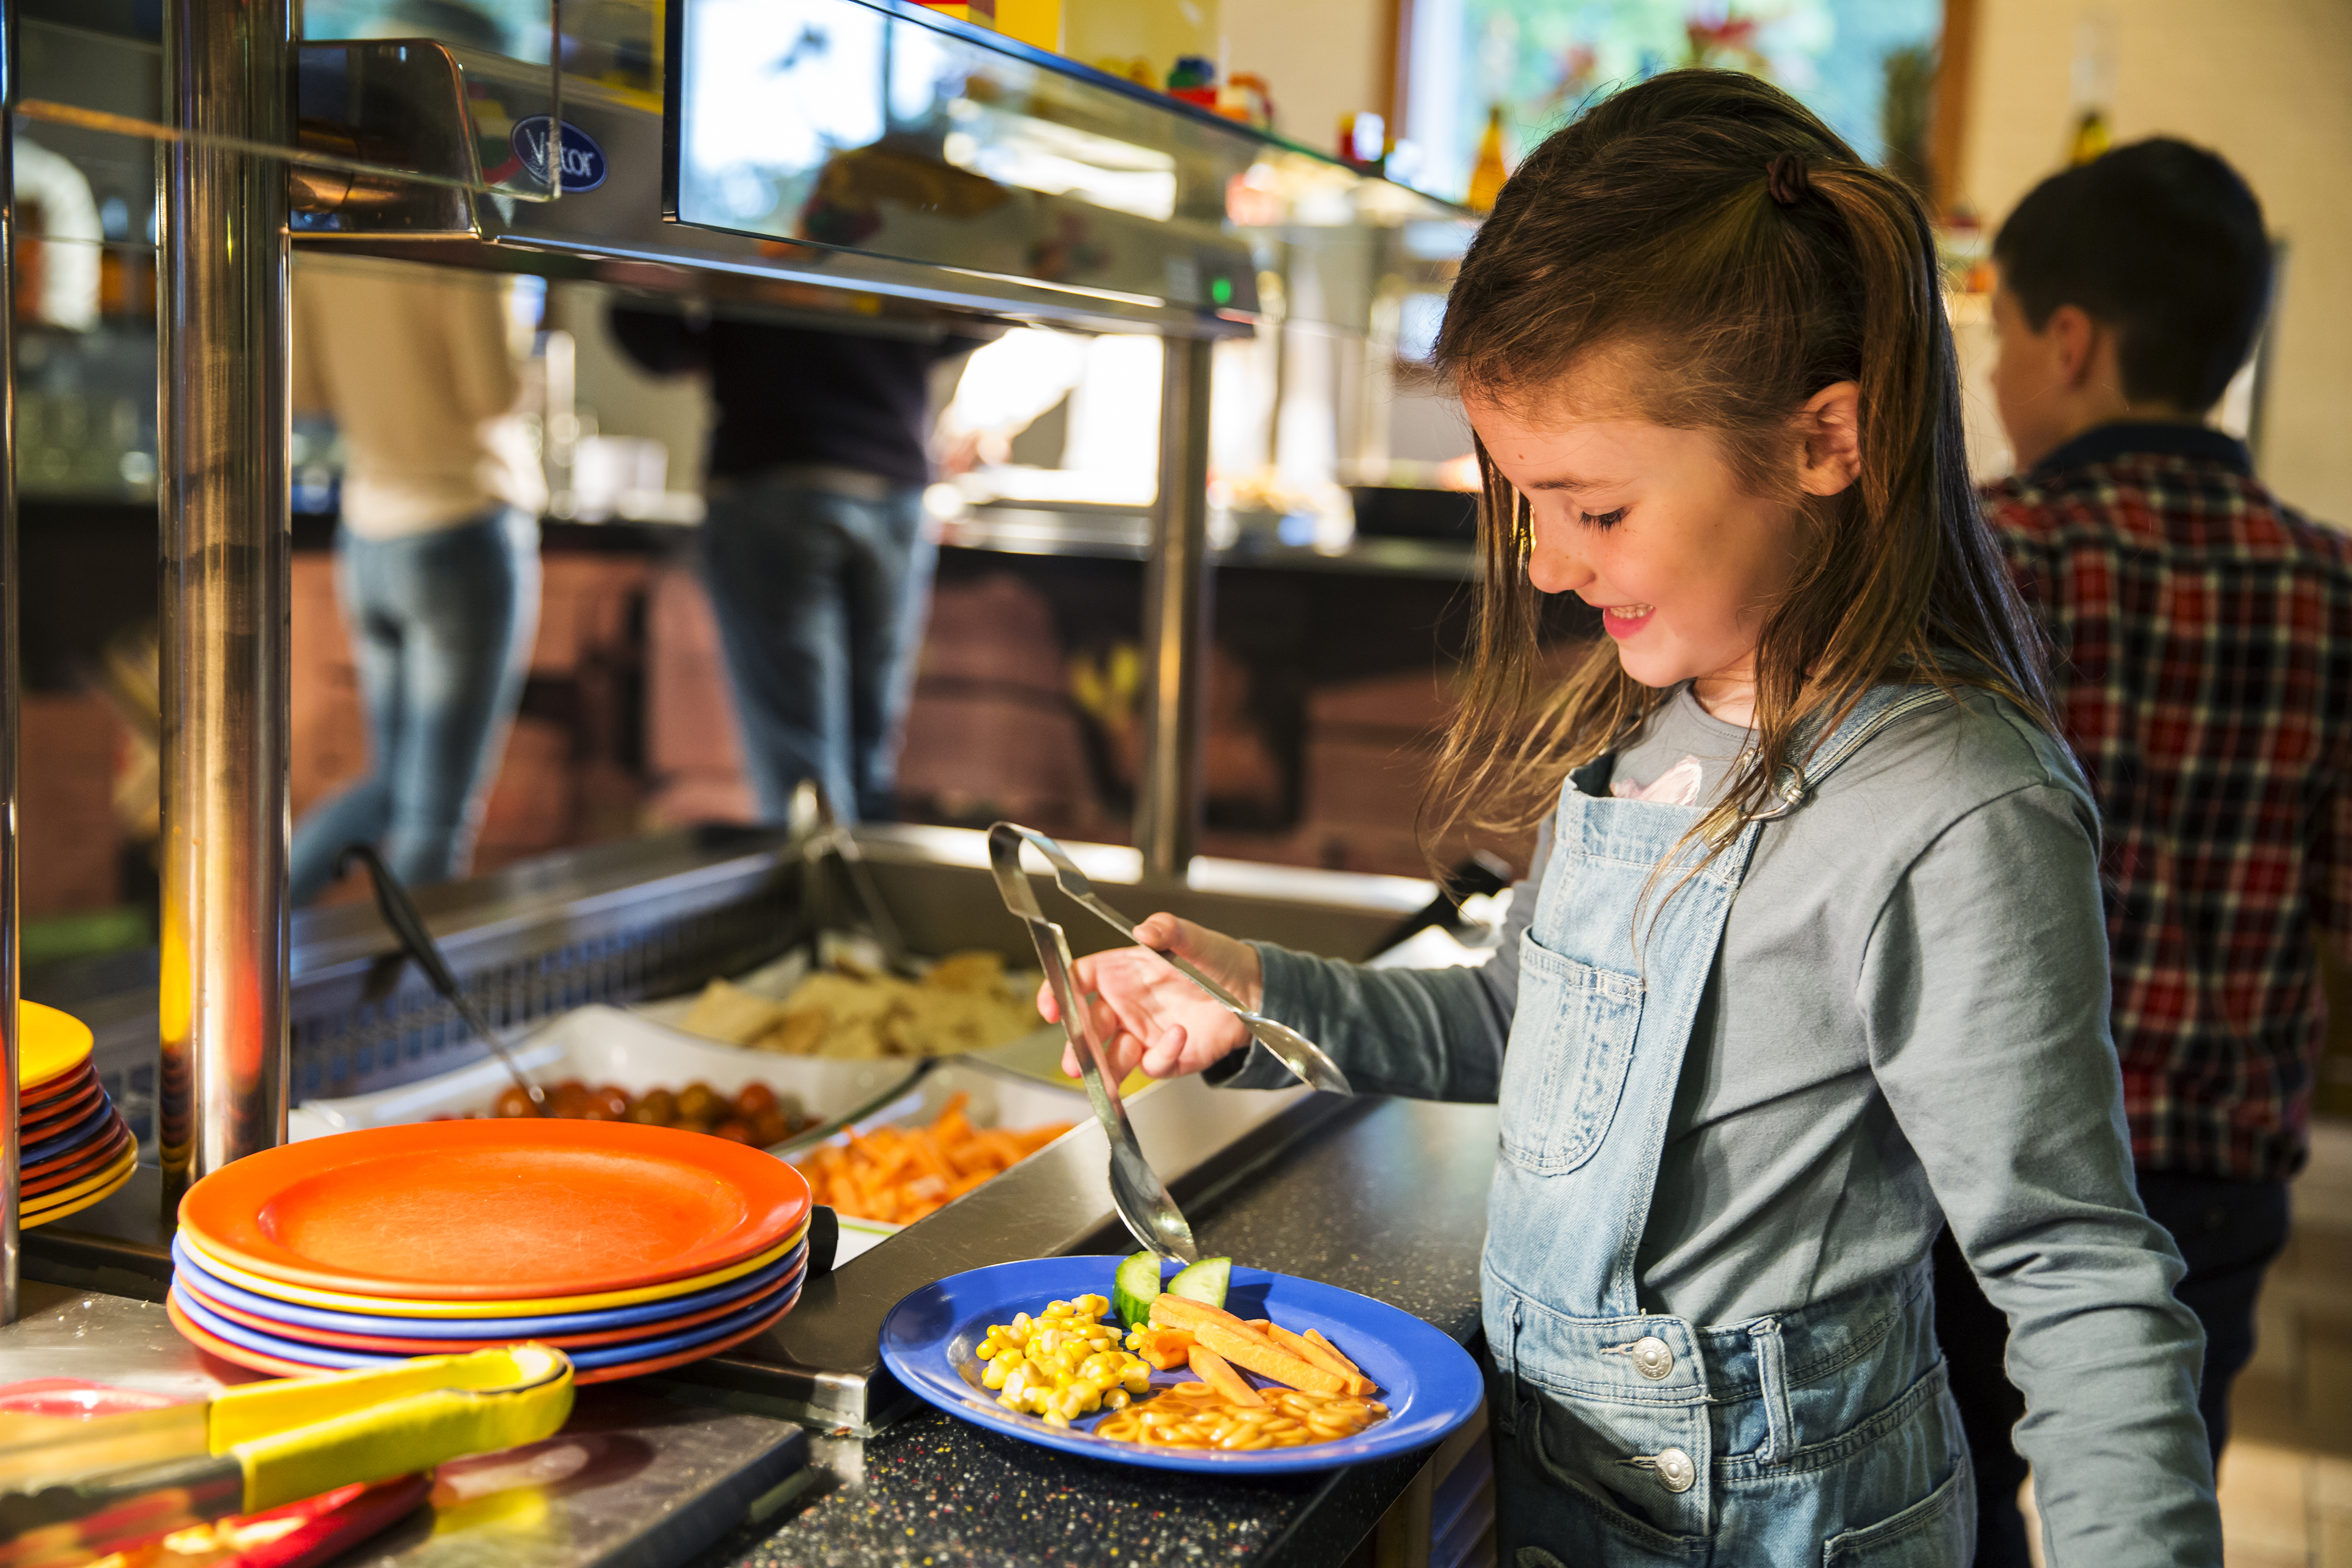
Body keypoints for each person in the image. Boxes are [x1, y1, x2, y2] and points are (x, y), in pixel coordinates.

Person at [1045, 72, 2221, 1564]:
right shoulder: (1659, 730)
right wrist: (1261, 1001)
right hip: (1569, 1501)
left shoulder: (1950, 813)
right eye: (1527, 504)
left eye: (1593, 511)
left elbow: (2075, 1275)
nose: (1545, 566)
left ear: (1822, 443)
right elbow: (1519, 1023)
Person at [1937, 138, 2329, 1566]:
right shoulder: (2327, 580)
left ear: (2070, 339)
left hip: (1983, 1158)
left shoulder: (1990, 555)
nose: (1987, 386)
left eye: (1997, 345)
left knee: (1957, 1490)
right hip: (2215, 1166)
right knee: (2152, 1474)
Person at [609, 307, 977, 825]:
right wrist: (888, 344)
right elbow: (979, 309)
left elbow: (652, 332)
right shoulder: (910, 223)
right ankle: (858, 900)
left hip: (777, 466)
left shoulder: (724, 221)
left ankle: (828, 903)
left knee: (802, 783)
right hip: (892, 479)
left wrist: (730, 343)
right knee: (866, 762)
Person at [288, 258, 545, 905]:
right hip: (460, 527)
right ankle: (405, 1001)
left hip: (370, 539)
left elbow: (304, 389)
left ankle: (248, 932)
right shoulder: (456, 236)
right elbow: (492, 392)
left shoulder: (330, 244)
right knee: (434, 821)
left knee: (394, 790)